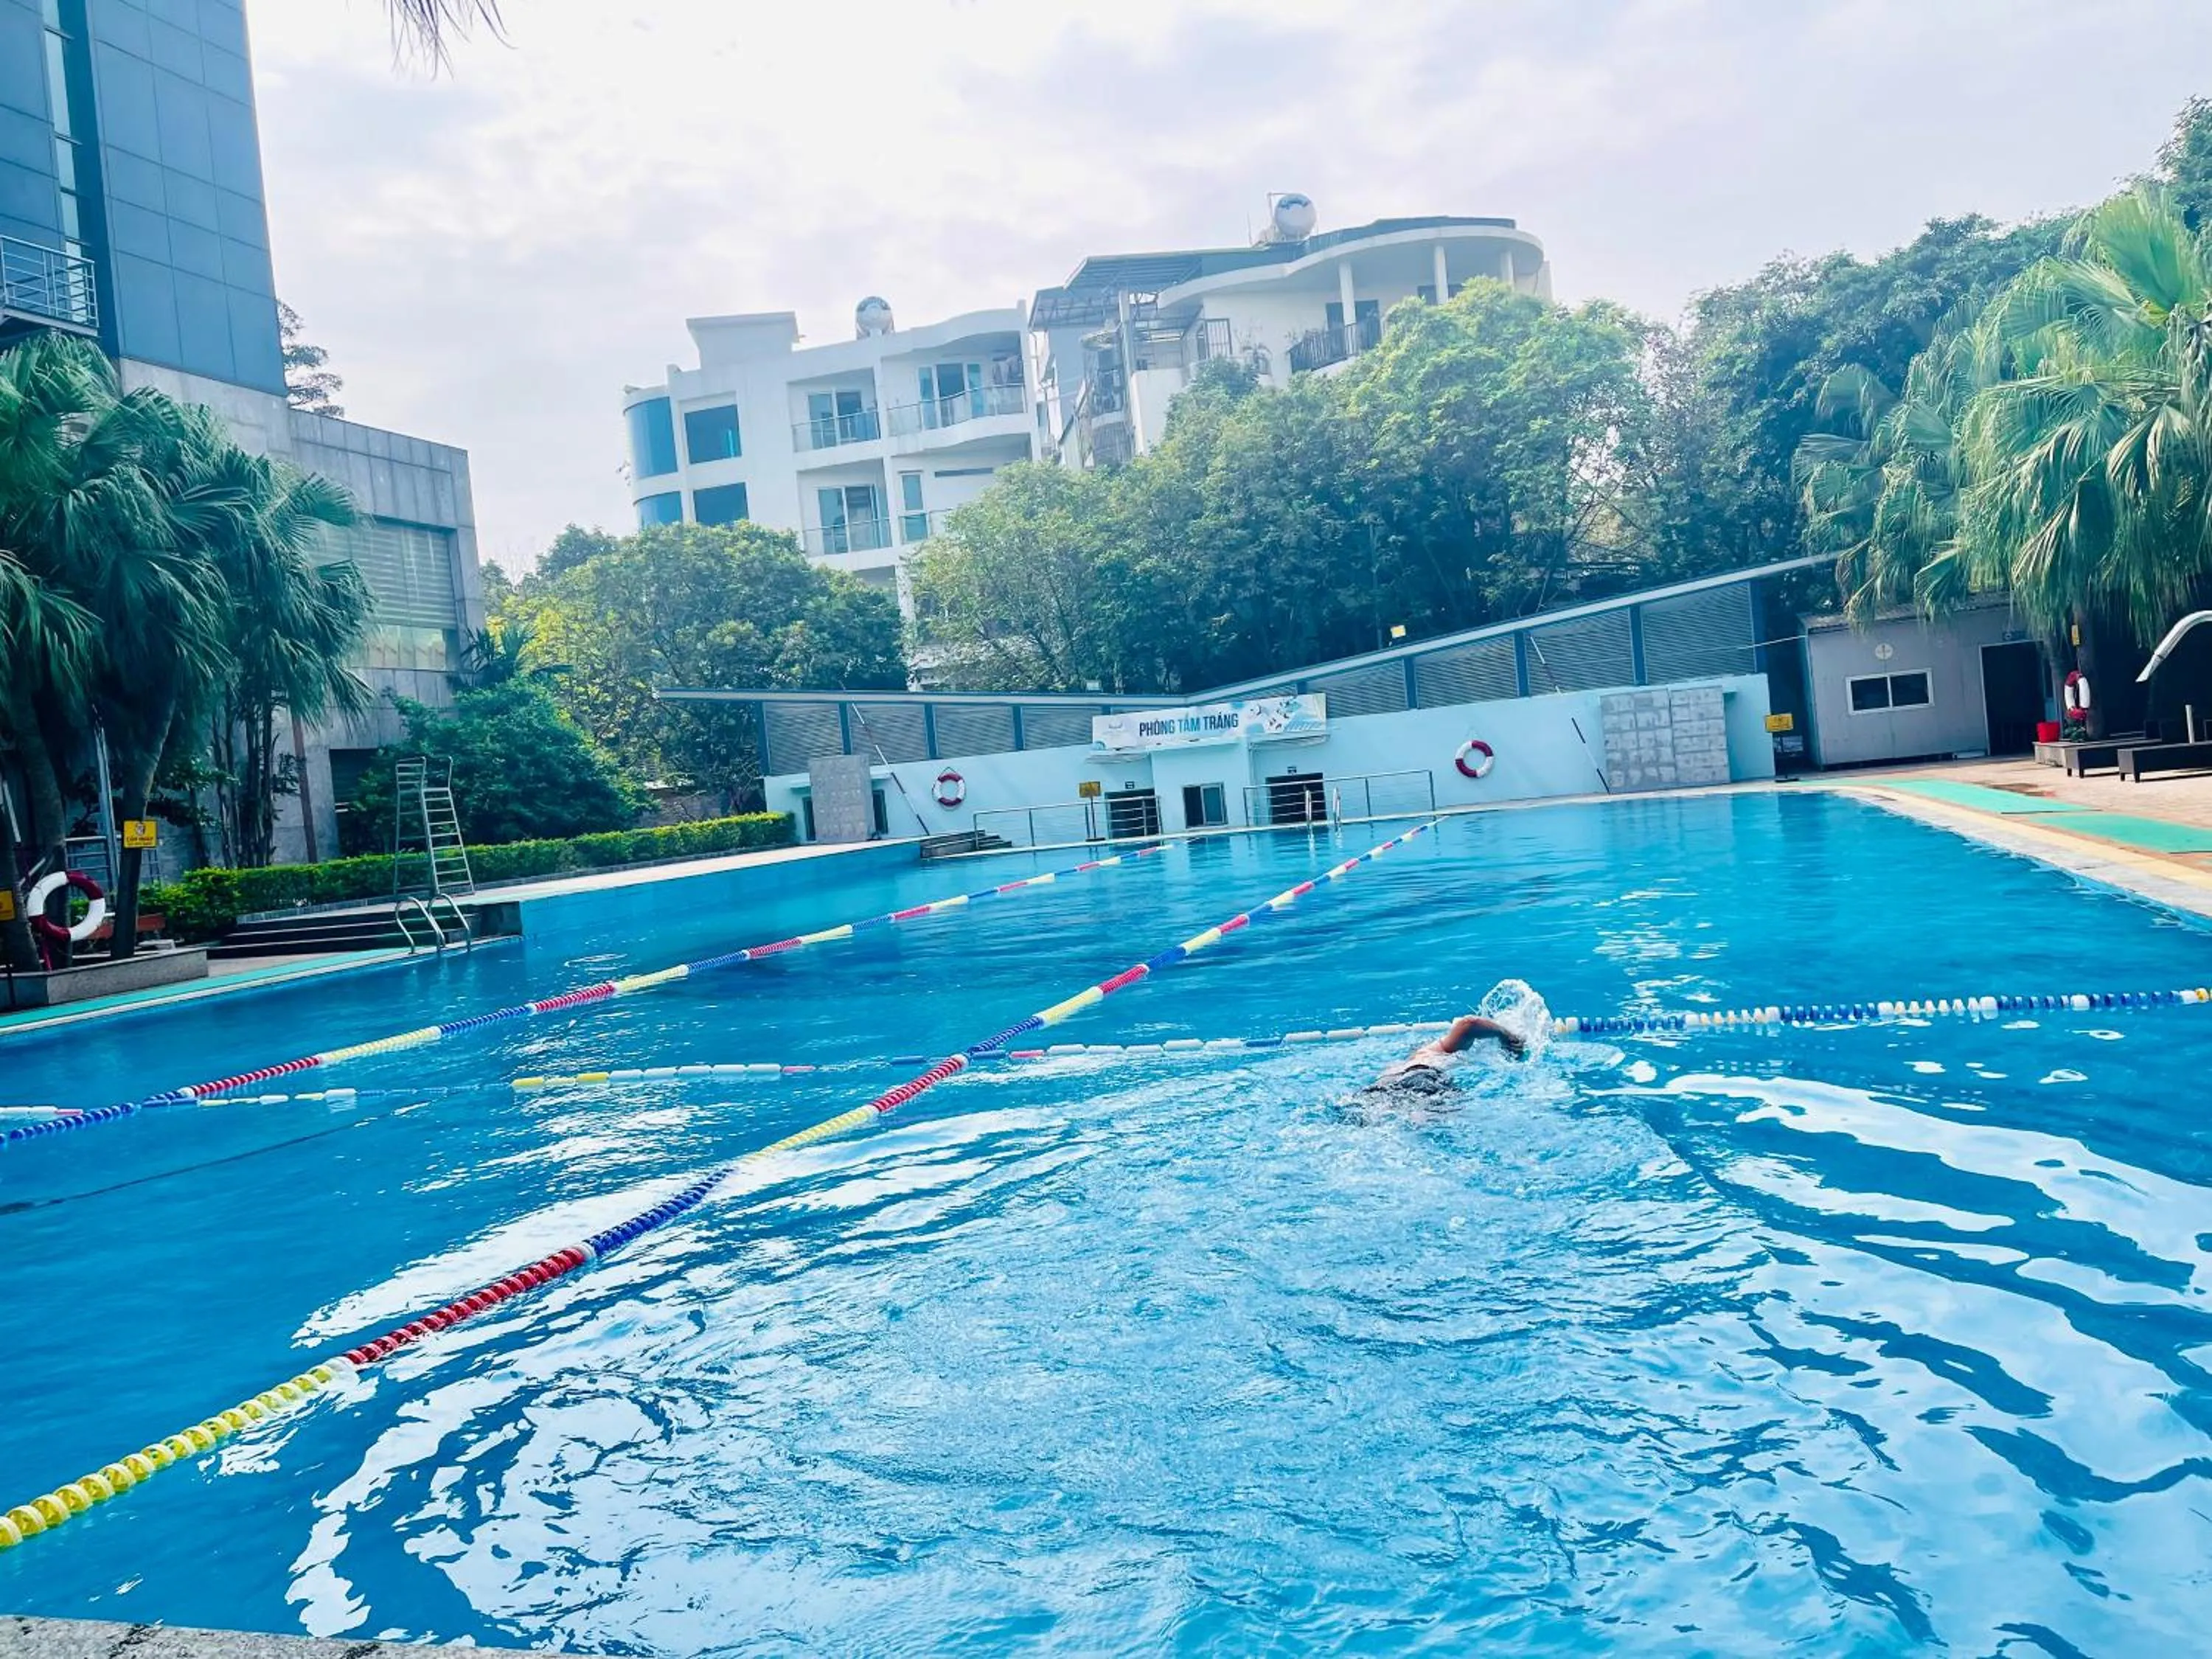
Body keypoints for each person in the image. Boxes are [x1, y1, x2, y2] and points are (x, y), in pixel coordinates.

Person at [1363, 1012, 1527, 1099]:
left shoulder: (1394, 1067)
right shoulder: (1430, 1052)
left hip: (1383, 1085)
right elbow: (1469, 1024)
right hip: (1422, 1076)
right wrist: (1507, 1035)